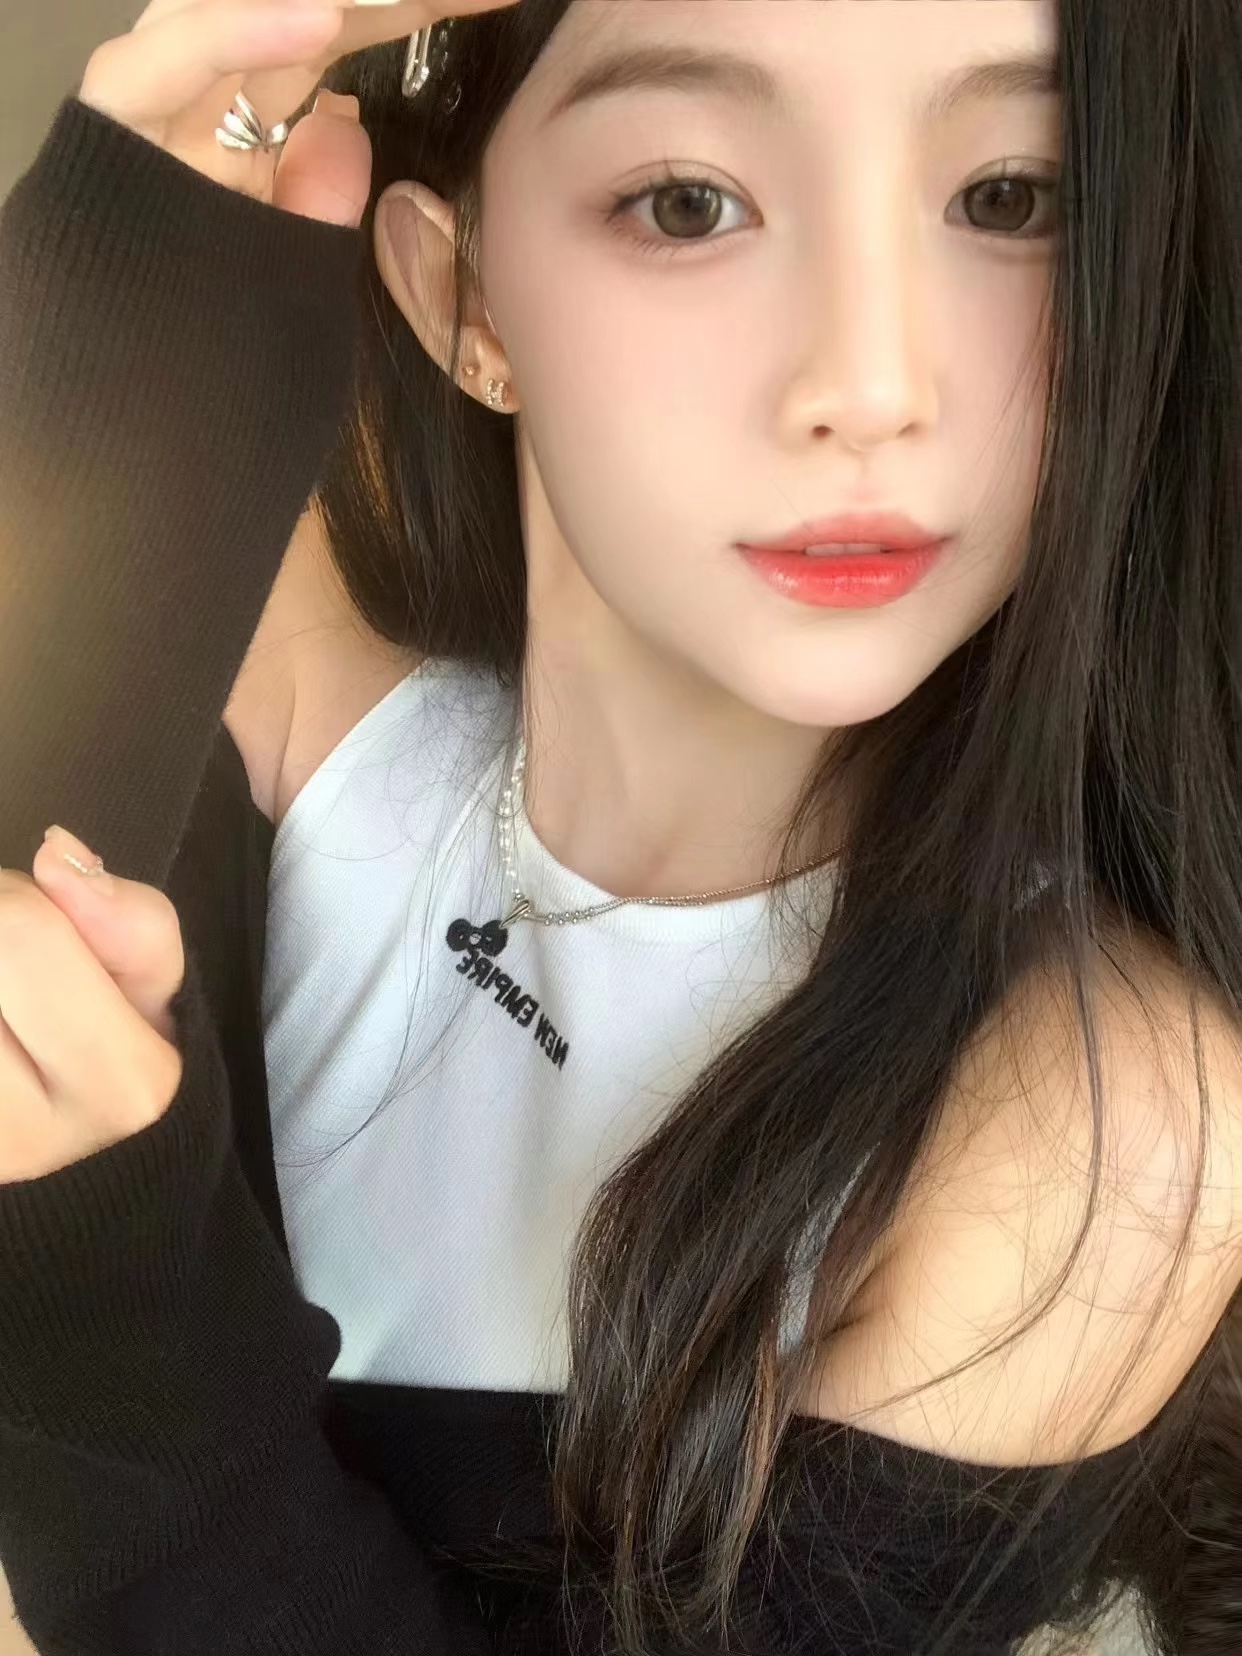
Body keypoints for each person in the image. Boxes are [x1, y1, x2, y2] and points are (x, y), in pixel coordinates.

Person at [0, 0, 1239, 1651]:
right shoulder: (286, 689)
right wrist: (114, 287)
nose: (869, 387)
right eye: (686, 202)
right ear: (462, 296)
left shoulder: (1097, 1117)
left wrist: (110, 1305)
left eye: (1010, 199)